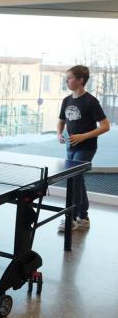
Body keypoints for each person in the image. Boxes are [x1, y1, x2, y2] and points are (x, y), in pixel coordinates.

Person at [57, 65, 109, 231]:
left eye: (70, 78)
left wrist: (83, 136)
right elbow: (61, 120)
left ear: (80, 81)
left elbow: (105, 126)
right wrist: (59, 134)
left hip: (86, 147)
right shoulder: (66, 100)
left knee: (75, 179)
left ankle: (71, 219)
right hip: (70, 146)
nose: (67, 80)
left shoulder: (91, 102)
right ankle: (83, 216)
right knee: (77, 179)